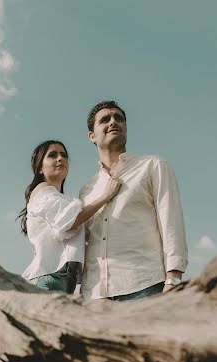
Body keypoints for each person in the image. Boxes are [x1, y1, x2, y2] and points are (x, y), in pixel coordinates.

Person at [78, 101, 188, 301]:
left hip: (145, 286)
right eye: (105, 120)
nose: (113, 122)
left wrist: (173, 278)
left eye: (118, 118)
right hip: (94, 295)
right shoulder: (87, 190)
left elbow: (171, 222)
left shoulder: (153, 166)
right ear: (91, 136)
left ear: (126, 128)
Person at [19, 140, 121, 293]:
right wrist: (106, 195)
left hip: (62, 278)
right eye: (52, 155)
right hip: (50, 277)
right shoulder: (42, 190)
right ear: (40, 168)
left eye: (64, 155)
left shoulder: (61, 199)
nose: (60, 158)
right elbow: (71, 222)